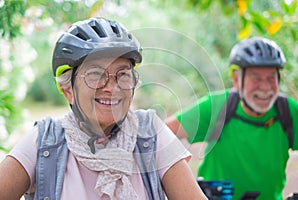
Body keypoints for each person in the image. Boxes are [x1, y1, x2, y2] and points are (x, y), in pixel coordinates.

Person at [0, 17, 207, 200]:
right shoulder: (44, 141)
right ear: (68, 89)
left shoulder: (151, 132)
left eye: (123, 74)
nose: (112, 88)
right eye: (94, 74)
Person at [165, 37, 298, 200]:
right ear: (237, 80)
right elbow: (161, 136)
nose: (265, 88)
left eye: (271, 78)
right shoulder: (218, 106)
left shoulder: (288, 111)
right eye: (256, 78)